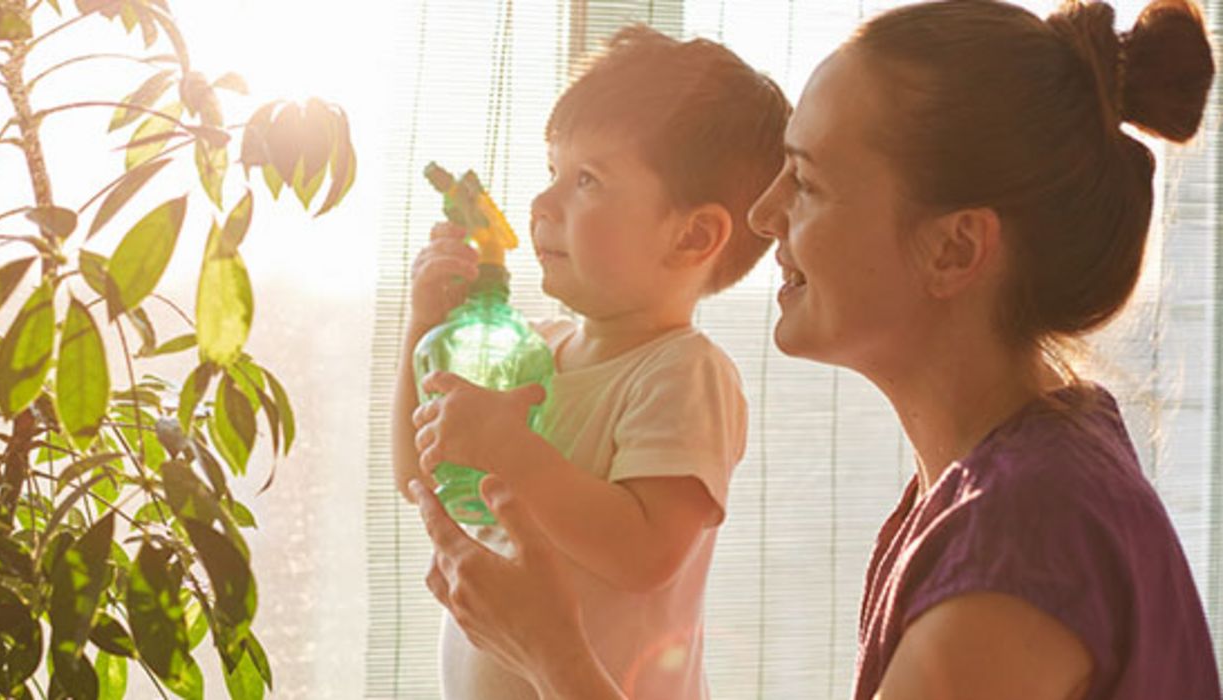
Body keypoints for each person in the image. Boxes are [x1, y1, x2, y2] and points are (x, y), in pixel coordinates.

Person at [413, 1, 1221, 698]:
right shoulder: (991, 488)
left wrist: (551, 660)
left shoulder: (1028, 544)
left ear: (951, 251)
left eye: (805, 180)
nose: (763, 217)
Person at [394, 25, 790, 700]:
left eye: (587, 180)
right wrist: (423, 329)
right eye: (552, 172)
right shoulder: (534, 349)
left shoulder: (683, 373)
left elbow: (644, 553)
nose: (542, 204)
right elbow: (418, 477)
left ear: (692, 234)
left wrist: (511, 451)